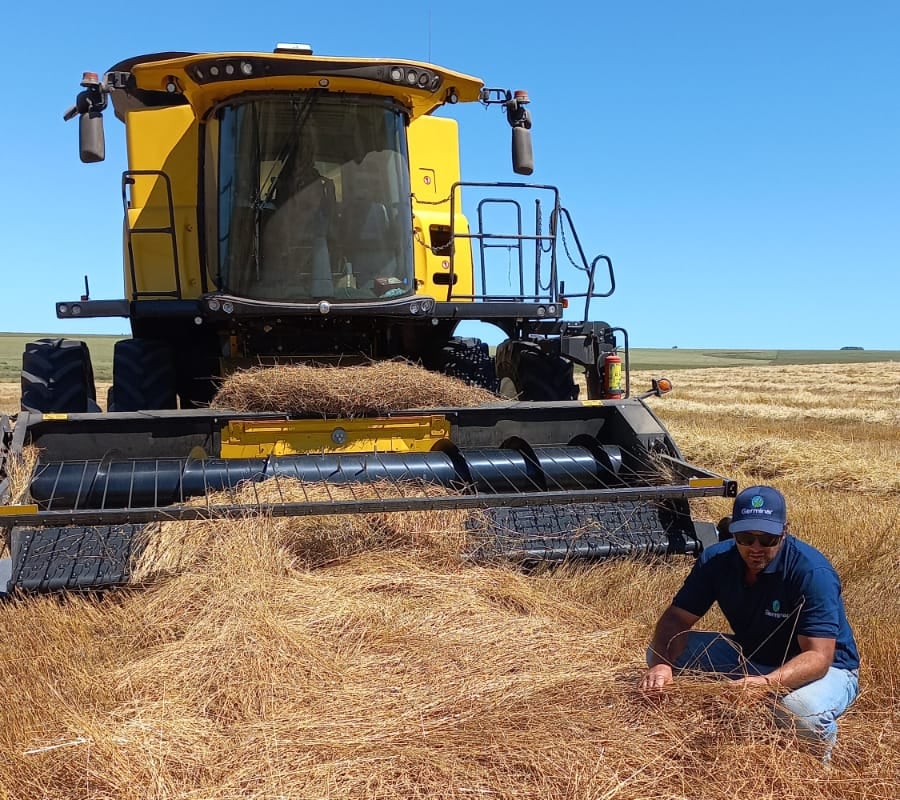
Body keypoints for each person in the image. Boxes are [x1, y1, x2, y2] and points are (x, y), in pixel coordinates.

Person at [639, 485, 860, 760]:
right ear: (733, 532)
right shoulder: (716, 561)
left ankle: (818, 771)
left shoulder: (812, 572)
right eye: (745, 537)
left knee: (801, 714)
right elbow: (676, 618)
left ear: (784, 531)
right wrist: (662, 664)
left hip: (828, 669)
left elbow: (819, 656)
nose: (755, 548)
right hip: (753, 654)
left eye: (767, 539)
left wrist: (765, 683)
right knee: (662, 652)